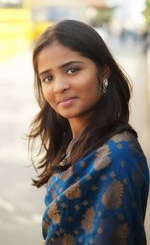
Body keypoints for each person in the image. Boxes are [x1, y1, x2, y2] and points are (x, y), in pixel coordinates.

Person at [28, 19, 149, 245]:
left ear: (103, 70)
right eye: (48, 78)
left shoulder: (117, 155)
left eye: (72, 70)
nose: (59, 86)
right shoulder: (73, 143)